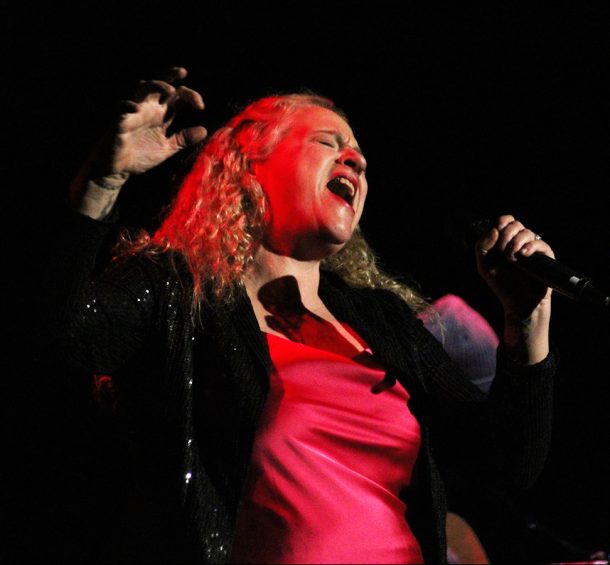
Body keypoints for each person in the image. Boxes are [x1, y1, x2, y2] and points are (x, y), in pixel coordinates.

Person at [37, 66, 557, 564]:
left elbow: (506, 464)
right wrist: (102, 184)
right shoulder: (181, 291)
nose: (354, 160)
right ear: (249, 165)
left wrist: (526, 320)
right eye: (329, 143)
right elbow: (61, 340)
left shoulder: (379, 321)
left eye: (360, 156)